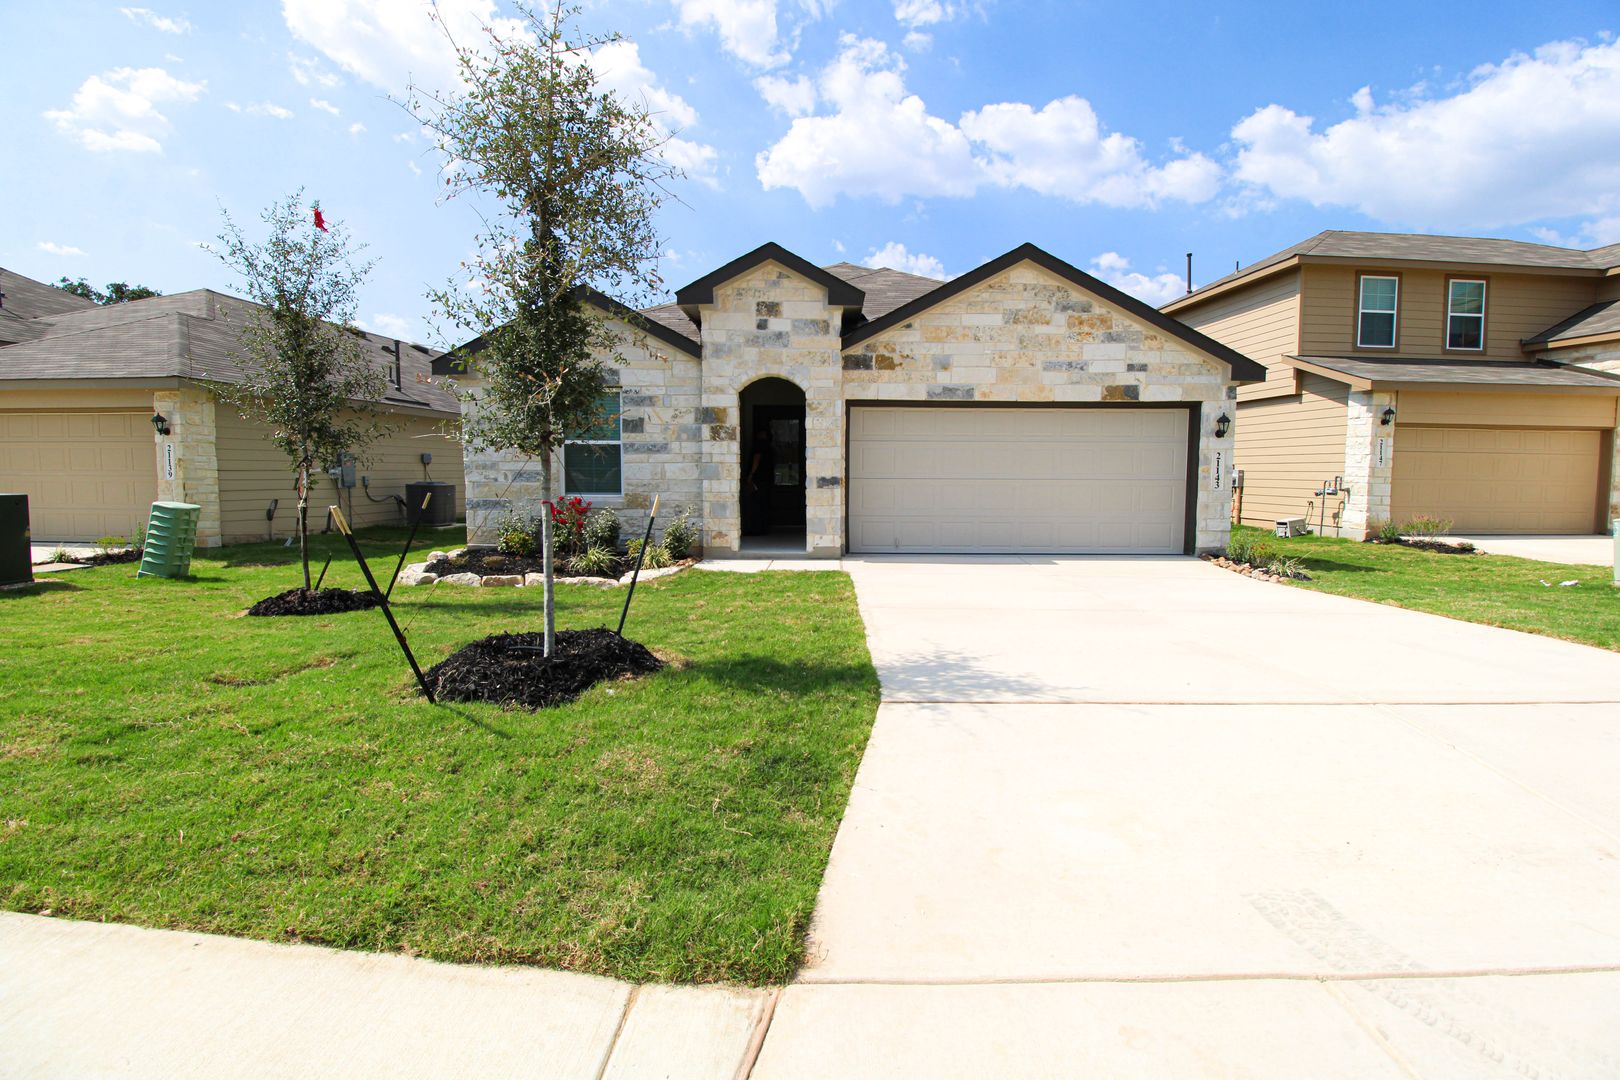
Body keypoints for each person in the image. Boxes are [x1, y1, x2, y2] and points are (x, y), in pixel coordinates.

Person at [743, 428, 774, 535]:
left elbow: (756, 460)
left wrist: (750, 475)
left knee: (756, 504)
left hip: (758, 479)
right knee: (763, 503)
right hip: (766, 478)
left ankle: (756, 528)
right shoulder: (769, 447)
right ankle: (763, 528)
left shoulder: (759, 446)